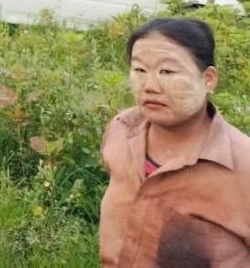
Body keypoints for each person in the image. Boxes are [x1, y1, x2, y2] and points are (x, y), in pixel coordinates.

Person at [100, 17, 250, 267]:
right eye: (139, 70)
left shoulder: (242, 164)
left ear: (208, 79)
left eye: (167, 72)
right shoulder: (121, 130)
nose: (149, 86)